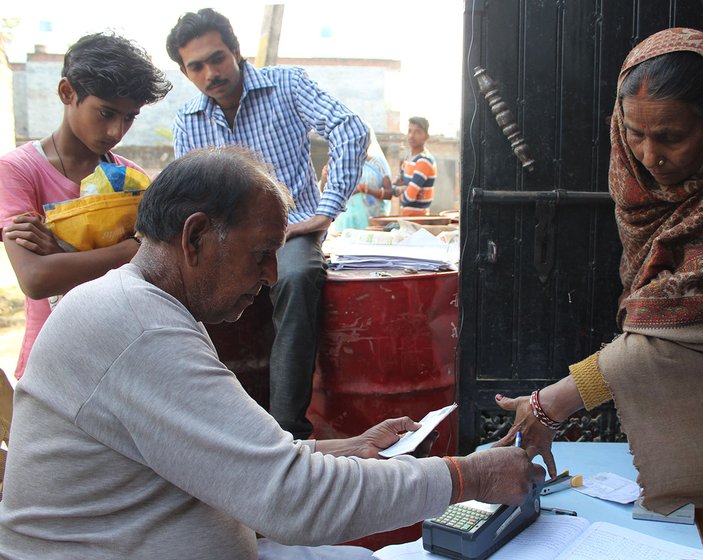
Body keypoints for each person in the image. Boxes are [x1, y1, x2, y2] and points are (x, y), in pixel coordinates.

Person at [0, 147, 544, 559]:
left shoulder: (144, 308)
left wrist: (341, 450)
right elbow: (290, 500)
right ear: (194, 238)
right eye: (261, 254)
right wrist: (468, 476)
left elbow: (237, 461)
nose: (270, 276)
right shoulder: (137, 326)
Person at [493, 28, 703, 559]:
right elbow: (663, 324)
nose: (649, 155)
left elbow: (676, 328)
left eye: (672, 137)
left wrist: (552, 403)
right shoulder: (647, 181)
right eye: (635, 133)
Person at [166, 8, 368, 440]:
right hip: (227, 241)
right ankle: (211, 430)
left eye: (217, 58)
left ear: (236, 51)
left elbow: (350, 129)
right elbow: (189, 195)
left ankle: (286, 435)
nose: (211, 73)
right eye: (196, 66)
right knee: (183, 294)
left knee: (296, 277)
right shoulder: (188, 120)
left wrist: (326, 210)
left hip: (289, 230)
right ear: (185, 72)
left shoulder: (287, 84)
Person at [0, 33, 171, 380]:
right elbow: (35, 279)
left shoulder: (133, 180)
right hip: (52, 362)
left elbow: (159, 270)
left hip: (121, 357)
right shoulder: (18, 170)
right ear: (67, 92)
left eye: (129, 117)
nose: (115, 130)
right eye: (106, 113)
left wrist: (61, 252)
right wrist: (130, 248)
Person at [331, 125, 392, 232]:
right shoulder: (342, 162)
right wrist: (324, 175)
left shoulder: (378, 163)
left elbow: (389, 193)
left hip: (371, 221)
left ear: (370, 141)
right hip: (346, 221)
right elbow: (328, 189)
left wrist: (366, 189)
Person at [392, 116, 436, 216]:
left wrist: (402, 190)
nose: (412, 135)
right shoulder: (408, 159)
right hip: (406, 218)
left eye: (418, 132)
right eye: (410, 131)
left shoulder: (424, 161)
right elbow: (393, 188)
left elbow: (409, 198)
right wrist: (401, 189)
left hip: (418, 221)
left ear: (426, 136)